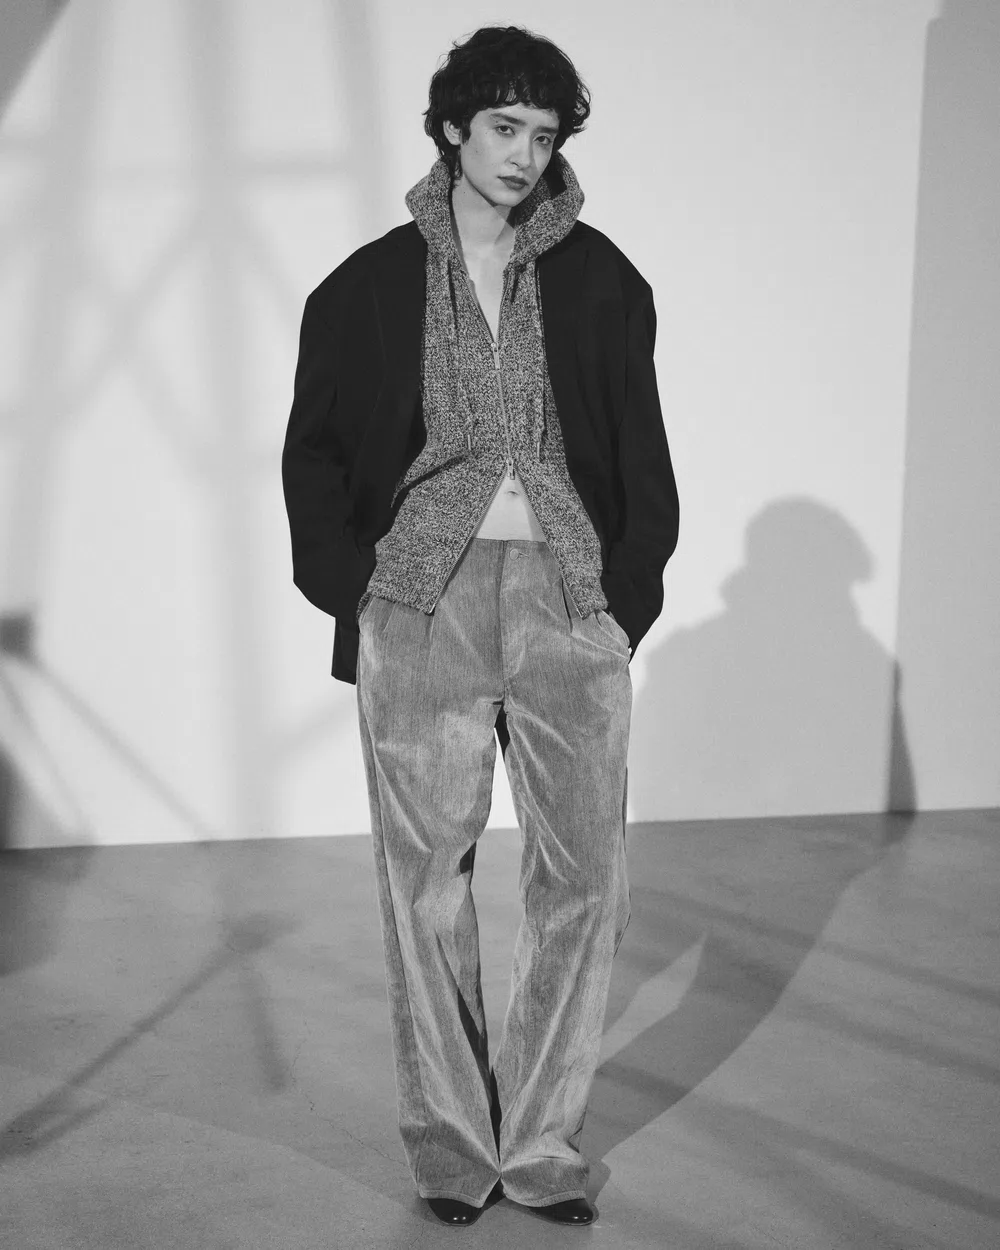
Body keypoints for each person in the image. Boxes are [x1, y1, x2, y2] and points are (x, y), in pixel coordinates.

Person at [282, 24, 679, 1228]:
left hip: (568, 599)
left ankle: (542, 1143)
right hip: (422, 600)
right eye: (504, 127)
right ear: (454, 127)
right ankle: (455, 1147)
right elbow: (312, 450)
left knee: (583, 880)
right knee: (424, 885)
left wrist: (624, 597)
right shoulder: (364, 284)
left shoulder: (602, 279)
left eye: (543, 135)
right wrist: (355, 586)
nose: (523, 154)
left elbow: (643, 450)